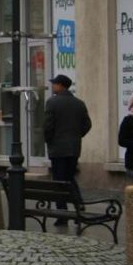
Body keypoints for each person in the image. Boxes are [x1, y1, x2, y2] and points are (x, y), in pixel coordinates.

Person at [43, 74, 92, 225]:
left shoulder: (52, 102)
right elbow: (87, 124)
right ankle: (78, 204)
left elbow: (48, 126)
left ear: (60, 85)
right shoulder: (79, 103)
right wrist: (76, 136)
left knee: (59, 180)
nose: (53, 86)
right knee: (69, 177)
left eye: (54, 84)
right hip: (74, 148)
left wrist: (49, 140)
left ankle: (62, 214)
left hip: (58, 149)